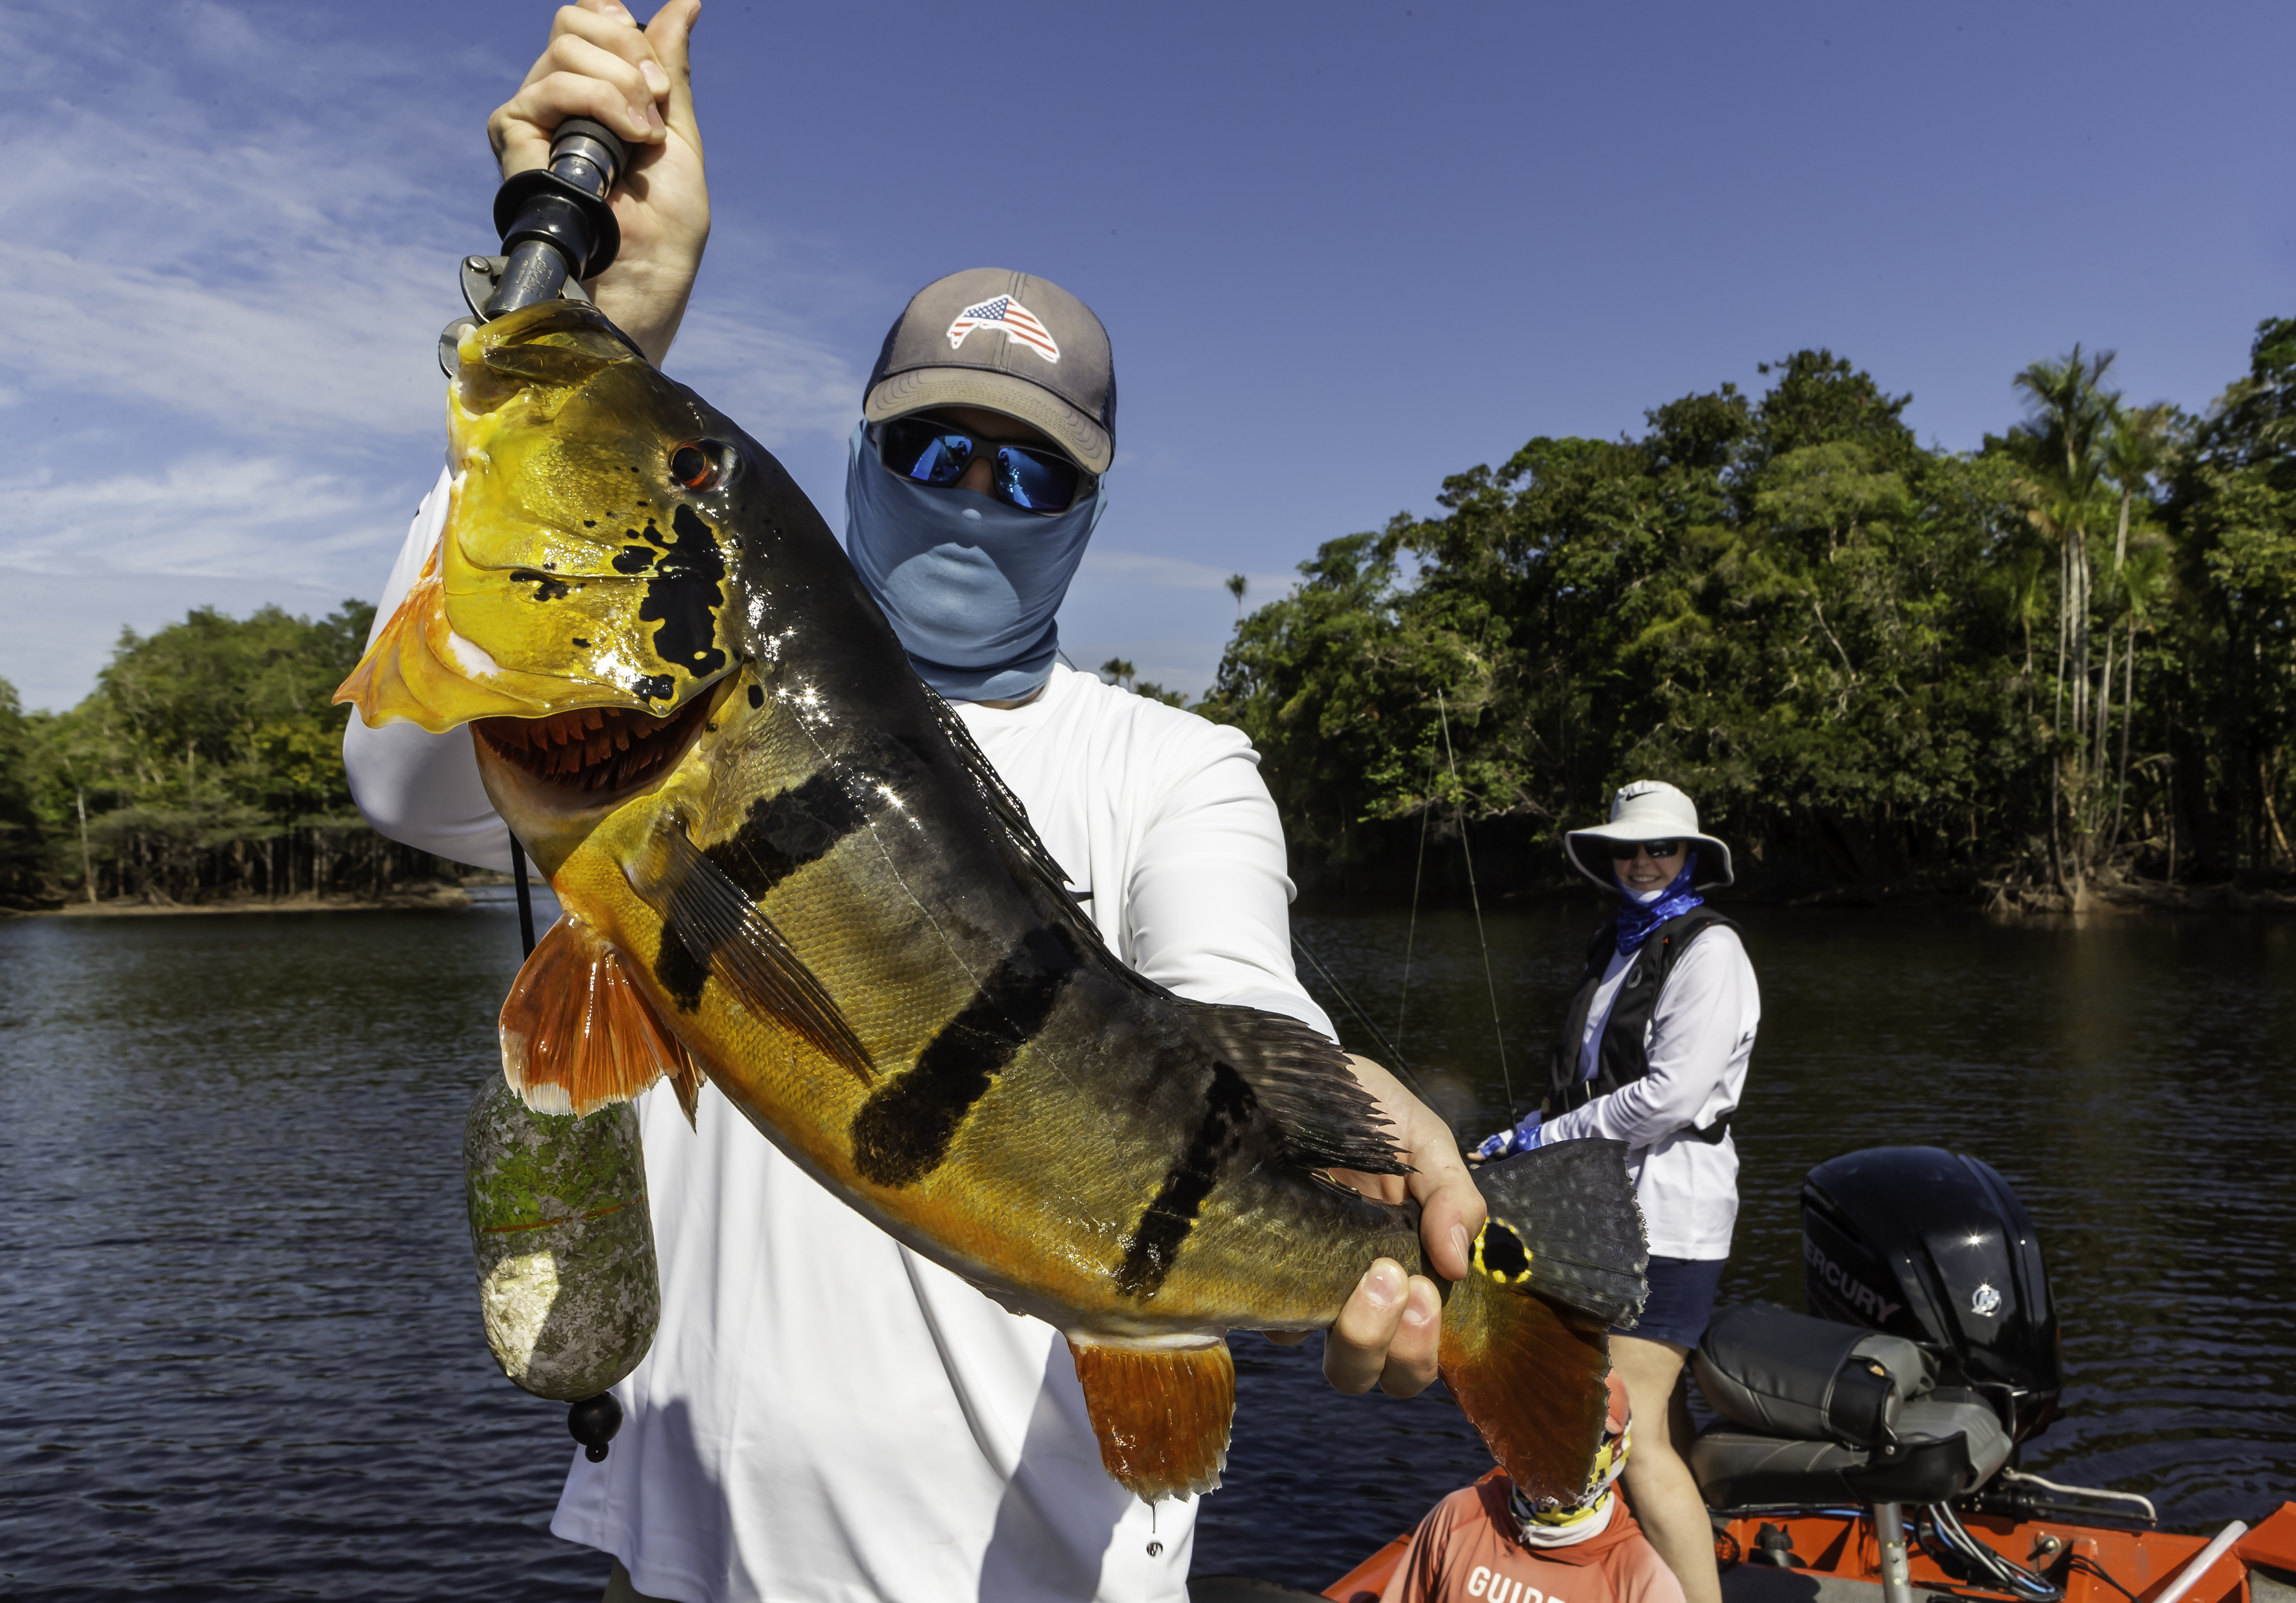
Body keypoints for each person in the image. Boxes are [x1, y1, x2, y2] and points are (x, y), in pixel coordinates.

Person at [342, 5, 1484, 1601]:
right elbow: (399, 771)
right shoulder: (656, 733)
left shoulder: (1177, 767)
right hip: (687, 1564)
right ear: (862, 457)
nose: (972, 493)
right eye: (934, 444)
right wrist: (613, 314)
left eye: (1030, 470)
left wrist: (1361, 1152)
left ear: (1089, 509)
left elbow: (1231, 993)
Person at [1469, 781, 1757, 1603]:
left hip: (1672, 1215)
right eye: (1630, 849)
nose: (1643, 860)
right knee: (1646, 1418)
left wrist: (1545, 1139)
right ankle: (1659, 1576)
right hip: (1604, 1209)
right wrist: (1516, 1132)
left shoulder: (1711, 951)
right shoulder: (1622, 944)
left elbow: (1669, 1094)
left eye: (1661, 848)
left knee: (1634, 1431)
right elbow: (1588, 1087)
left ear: (1691, 857)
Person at [1375, 1375, 1680, 1603]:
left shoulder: (1643, 1580)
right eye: (1546, 1425)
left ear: (1619, 1446)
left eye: (1590, 1435)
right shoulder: (1458, 1515)